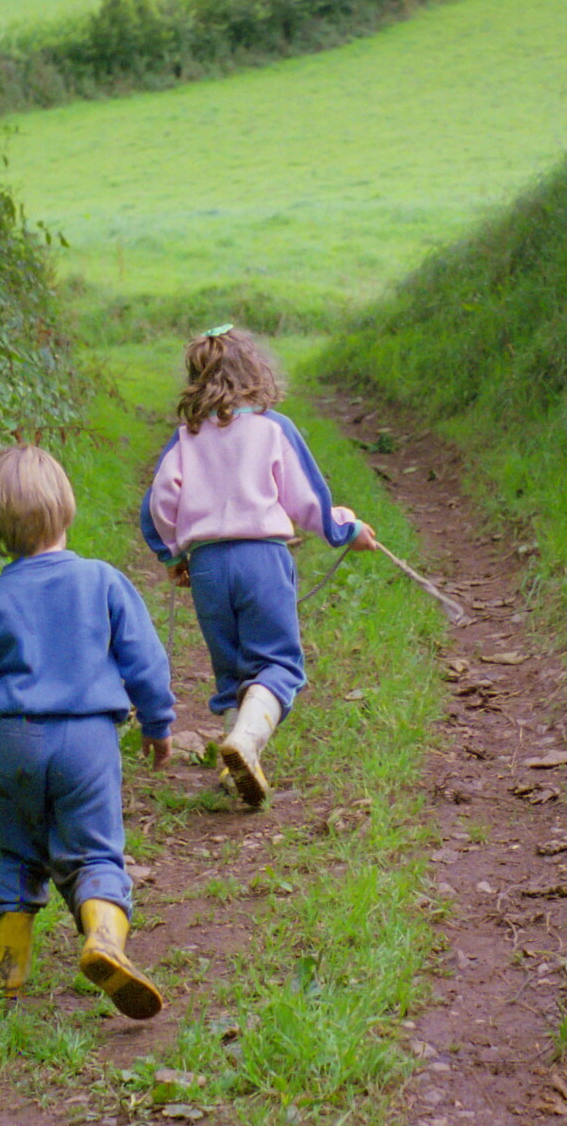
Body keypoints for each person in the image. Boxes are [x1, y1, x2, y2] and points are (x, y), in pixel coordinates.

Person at [0, 444, 177, 1017]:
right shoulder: (102, 581)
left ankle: (8, 965)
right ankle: (102, 936)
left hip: (13, 741)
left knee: (18, 852)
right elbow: (144, 662)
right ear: (66, 508)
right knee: (97, 853)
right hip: (87, 742)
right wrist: (157, 723)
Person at [141, 325, 374, 808]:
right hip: (261, 559)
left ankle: (234, 769)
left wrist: (174, 555)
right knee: (279, 666)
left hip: (207, 567)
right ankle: (246, 743)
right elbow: (306, 497)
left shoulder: (186, 437)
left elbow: (158, 505)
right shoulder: (273, 428)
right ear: (255, 373)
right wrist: (344, 530)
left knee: (231, 674)